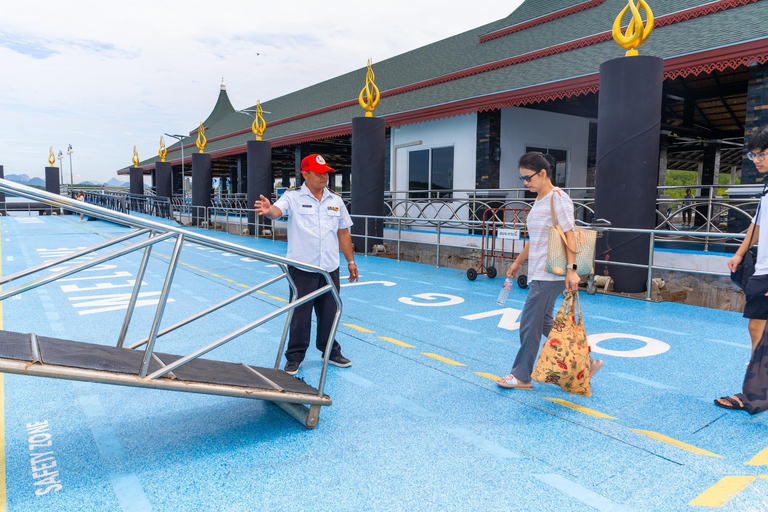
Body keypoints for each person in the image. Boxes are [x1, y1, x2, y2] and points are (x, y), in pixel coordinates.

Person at [497, 152, 602, 389]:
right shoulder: (540, 199)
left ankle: (521, 376)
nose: (525, 183)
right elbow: (535, 239)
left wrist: (572, 270)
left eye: (528, 177)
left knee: (528, 322)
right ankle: (587, 361)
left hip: (551, 273)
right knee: (546, 323)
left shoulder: (558, 198)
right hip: (538, 270)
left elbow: (570, 234)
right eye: (521, 178)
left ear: (543, 173)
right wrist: (517, 263)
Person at [254, 154, 358, 375]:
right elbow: (277, 211)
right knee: (300, 314)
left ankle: (330, 350)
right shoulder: (292, 198)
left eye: (326, 173)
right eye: (318, 173)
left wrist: (350, 261)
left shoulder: (335, 200)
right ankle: (295, 356)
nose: (324, 176)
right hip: (302, 269)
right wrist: (268, 209)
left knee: (330, 312)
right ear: (305, 174)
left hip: (330, 268)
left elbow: (343, 232)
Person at [717, 126, 768, 412]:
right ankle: (757, 387)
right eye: (753, 155)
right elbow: (758, 224)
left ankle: (755, 392)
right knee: (758, 328)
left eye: (761, 154)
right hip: (761, 268)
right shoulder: (767, 185)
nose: (756, 160)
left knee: (758, 329)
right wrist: (740, 253)